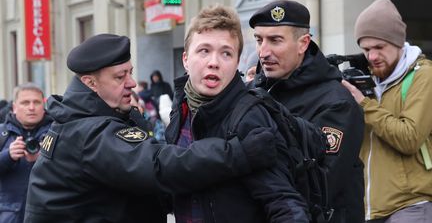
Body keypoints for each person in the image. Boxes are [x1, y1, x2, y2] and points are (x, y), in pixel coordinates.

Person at [24, 33, 280, 223]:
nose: (132, 83)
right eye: (119, 77)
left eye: (130, 73)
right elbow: (159, 166)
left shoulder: (83, 120)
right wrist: (239, 153)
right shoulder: (88, 132)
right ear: (90, 83)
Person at [165, 5, 308, 223]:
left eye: (226, 53)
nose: (214, 62)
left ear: (237, 63)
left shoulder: (249, 115)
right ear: (185, 59)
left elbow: (283, 203)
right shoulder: (181, 106)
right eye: (204, 51)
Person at [249, 0, 365, 223]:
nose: (263, 52)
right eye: (259, 40)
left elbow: (319, 187)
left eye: (275, 40)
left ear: (303, 43)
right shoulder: (257, 92)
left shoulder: (336, 103)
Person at [341, 0, 432, 222]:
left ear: (399, 42)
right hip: (370, 207)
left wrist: (363, 104)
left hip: (411, 204)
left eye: (379, 47)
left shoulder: (423, 76)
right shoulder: (368, 81)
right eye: (366, 49)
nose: (372, 57)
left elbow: (409, 137)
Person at [0, 83, 52, 223]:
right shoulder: (1, 134)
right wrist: (8, 155)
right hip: (9, 216)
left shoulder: (57, 133)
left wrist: (45, 159)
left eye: (36, 102)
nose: (31, 107)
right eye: (25, 102)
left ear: (44, 105)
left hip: (48, 214)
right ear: (14, 107)